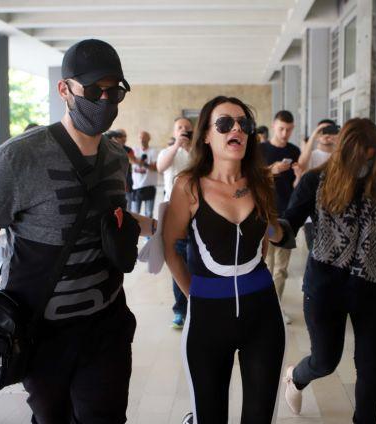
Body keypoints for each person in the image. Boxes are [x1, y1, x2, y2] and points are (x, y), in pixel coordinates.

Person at [0, 39, 157, 424]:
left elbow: (111, 219)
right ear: (64, 89)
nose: (105, 100)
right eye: (93, 90)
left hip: (107, 326)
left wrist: (161, 226)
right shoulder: (20, 157)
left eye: (113, 91)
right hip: (41, 333)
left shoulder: (117, 158)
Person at [164, 96, 285, 423]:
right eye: (225, 123)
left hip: (263, 316)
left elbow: (263, 244)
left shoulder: (261, 182)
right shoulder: (188, 186)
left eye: (243, 124)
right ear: (206, 134)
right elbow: (171, 247)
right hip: (208, 320)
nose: (237, 129)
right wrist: (195, 295)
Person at [279, 118, 376, 424]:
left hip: (370, 285)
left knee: (372, 365)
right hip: (325, 287)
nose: (365, 163)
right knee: (325, 361)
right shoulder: (315, 181)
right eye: (361, 156)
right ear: (345, 151)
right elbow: (289, 222)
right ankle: (296, 377)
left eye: (372, 156)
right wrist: (269, 227)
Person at [259, 110, 301, 322]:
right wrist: (272, 170)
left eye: (289, 129)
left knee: (282, 268)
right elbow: (251, 178)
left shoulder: (294, 151)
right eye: (281, 129)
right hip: (264, 213)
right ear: (274, 126)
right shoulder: (260, 150)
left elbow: (296, 186)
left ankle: (275, 306)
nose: (285, 133)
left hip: (287, 215)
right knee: (266, 263)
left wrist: (300, 177)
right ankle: (263, 306)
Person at [157, 117, 193, 328]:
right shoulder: (167, 151)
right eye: (180, 127)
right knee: (177, 261)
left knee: (195, 261)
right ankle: (180, 310)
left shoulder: (198, 154)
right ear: (174, 131)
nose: (184, 130)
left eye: (187, 128)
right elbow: (161, 167)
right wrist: (177, 145)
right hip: (174, 214)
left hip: (196, 214)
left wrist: (190, 149)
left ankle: (196, 305)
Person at [294, 119, 340, 250]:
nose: (326, 134)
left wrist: (339, 140)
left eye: (330, 131)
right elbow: (302, 164)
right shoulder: (311, 155)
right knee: (314, 253)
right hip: (313, 214)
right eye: (322, 131)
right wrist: (314, 135)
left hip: (337, 212)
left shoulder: (340, 155)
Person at [130, 130, 158, 218]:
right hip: (136, 187)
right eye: (140, 138)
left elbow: (155, 168)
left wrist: (143, 164)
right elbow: (130, 160)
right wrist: (137, 161)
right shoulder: (134, 150)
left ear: (149, 139)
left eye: (144, 138)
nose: (142, 140)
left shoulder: (153, 151)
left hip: (149, 186)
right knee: (134, 214)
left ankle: (148, 228)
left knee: (148, 214)